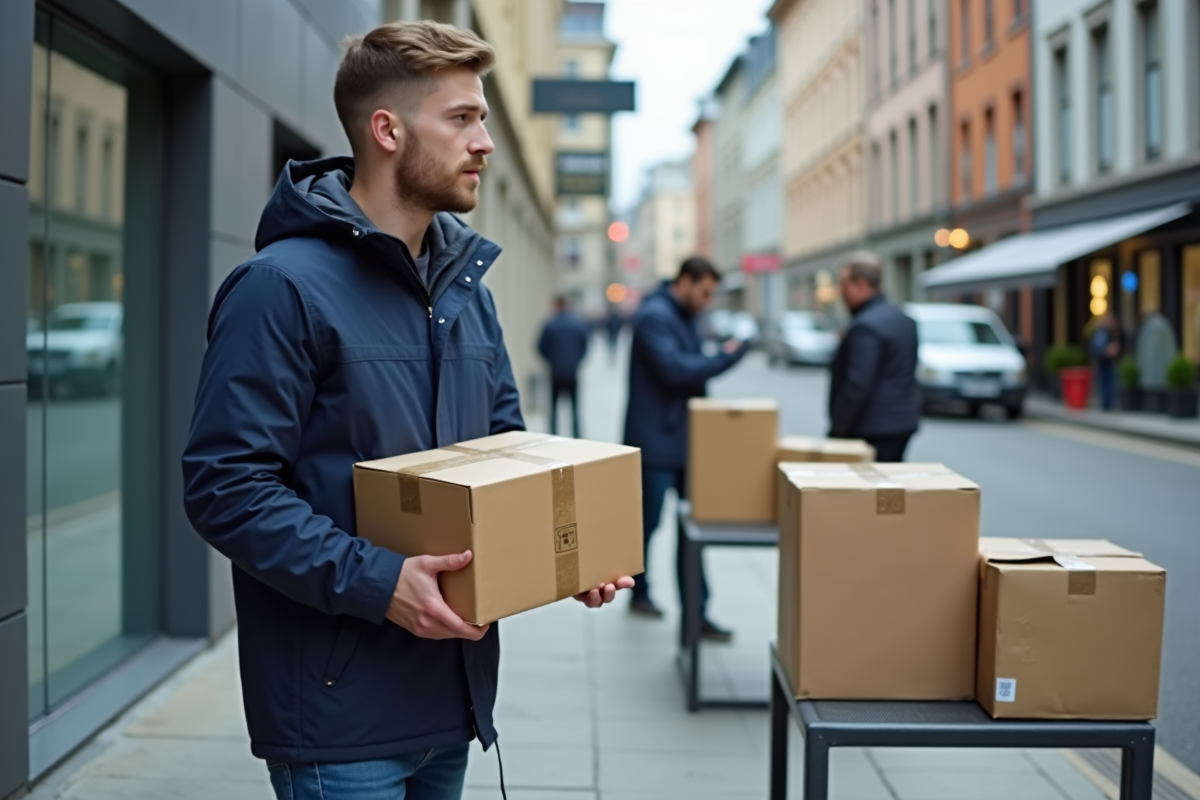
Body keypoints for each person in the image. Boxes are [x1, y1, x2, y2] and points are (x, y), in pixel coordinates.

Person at [181, 22, 631, 800]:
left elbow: (500, 455)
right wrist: (380, 581)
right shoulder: (279, 288)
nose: (485, 142)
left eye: (483, 117)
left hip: (451, 698)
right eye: (462, 118)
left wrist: (566, 551)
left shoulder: (467, 294)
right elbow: (226, 487)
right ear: (387, 131)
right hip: (339, 715)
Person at [622, 256, 748, 639]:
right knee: (648, 524)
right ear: (686, 282)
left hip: (684, 441)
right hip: (655, 443)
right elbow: (676, 370)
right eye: (705, 292)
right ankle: (638, 591)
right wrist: (727, 356)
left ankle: (697, 613)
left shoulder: (686, 315)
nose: (708, 301)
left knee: (693, 529)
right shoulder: (654, 316)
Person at [827, 251, 921, 462]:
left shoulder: (865, 326)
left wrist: (837, 430)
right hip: (903, 421)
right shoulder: (904, 319)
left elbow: (857, 384)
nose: (841, 292)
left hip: (870, 427)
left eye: (844, 285)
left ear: (860, 284)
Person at [537, 296, 590, 437]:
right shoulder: (578, 324)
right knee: (575, 408)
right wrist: (576, 361)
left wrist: (551, 360)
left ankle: (553, 434)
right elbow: (584, 347)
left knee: (553, 408)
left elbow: (540, 347)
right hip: (572, 372)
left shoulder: (550, 324)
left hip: (555, 372)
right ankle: (576, 435)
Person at [1090, 311, 1122, 411]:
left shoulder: (1113, 333)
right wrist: (1107, 350)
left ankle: (1109, 404)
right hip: (1103, 362)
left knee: (1111, 383)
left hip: (1110, 362)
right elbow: (1097, 348)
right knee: (1105, 383)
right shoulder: (1102, 333)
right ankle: (1105, 404)